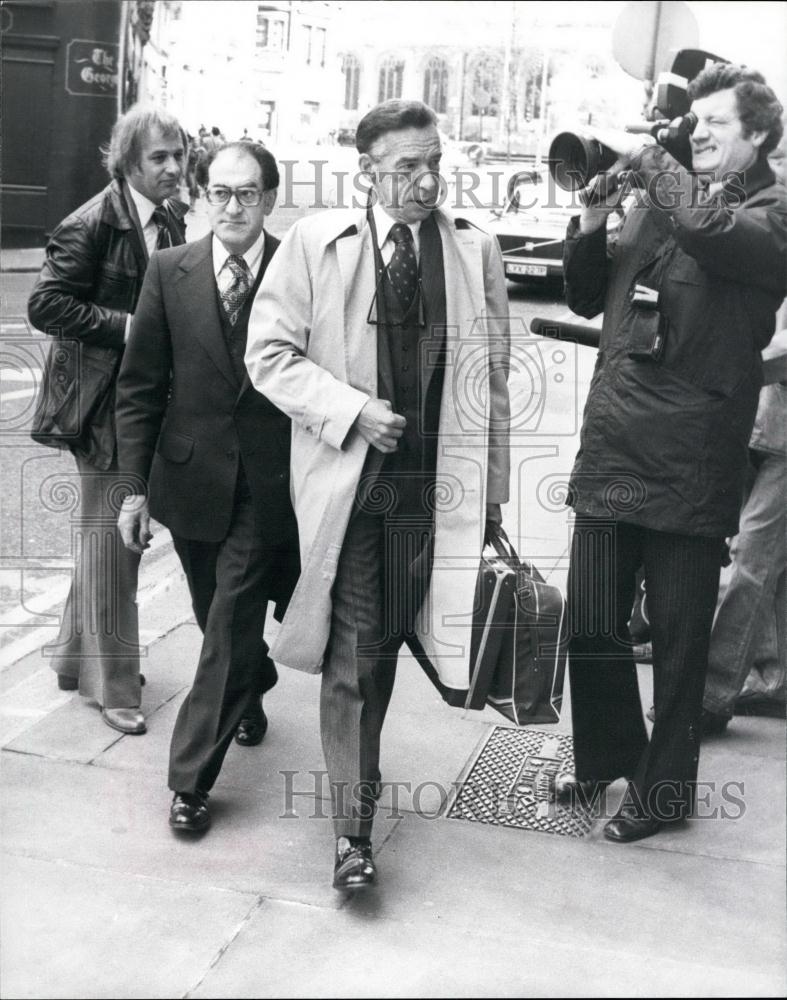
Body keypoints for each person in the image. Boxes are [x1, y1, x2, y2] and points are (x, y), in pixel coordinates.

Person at [245, 99, 510, 889]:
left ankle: (354, 784)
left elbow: (491, 381)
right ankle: (352, 837)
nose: (426, 181)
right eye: (406, 168)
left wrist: (493, 497)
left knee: (395, 647)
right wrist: (352, 409)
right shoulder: (314, 245)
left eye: (434, 164)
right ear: (366, 171)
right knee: (358, 656)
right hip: (353, 487)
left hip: (441, 493)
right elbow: (268, 354)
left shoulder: (473, 250)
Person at [556, 63, 787, 842]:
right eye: (695, 121)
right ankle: (605, 754)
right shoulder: (667, 198)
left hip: (692, 452)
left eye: (716, 122)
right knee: (589, 613)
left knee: (681, 637)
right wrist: (591, 220)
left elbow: (710, 233)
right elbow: (589, 296)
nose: (700, 133)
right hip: (617, 435)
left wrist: (653, 161)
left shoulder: (771, 210)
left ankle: (662, 794)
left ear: (757, 133)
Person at [115, 142, 299, 834]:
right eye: (219, 192)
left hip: (267, 481)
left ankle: (190, 780)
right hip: (189, 481)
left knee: (227, 623)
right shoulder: (169, 271)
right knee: (212, 613)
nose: (232, 206)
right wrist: (134, 489)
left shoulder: (298, 268)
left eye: (247, 193)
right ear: (200, 197)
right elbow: (139, 389)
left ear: (269, 199)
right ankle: (249, 686)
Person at [27, 105, 188, 736]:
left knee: (103, 538)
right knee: (117, 540)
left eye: (178, 155)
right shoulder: (91, 222)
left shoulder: (168, 216)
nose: (175, 168)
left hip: (139, 400)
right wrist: (128, 328)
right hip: (98, 405)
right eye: (160, 158)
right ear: (127, 163)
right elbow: (46, 304)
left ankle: (74, 659)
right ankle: (114, 687)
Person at [701, 329, 787, 733]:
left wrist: (722, 363)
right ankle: (772, 679)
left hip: (778, 436)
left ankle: (712, 695)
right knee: (767, 565)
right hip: (765, 425)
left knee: (752, 560)